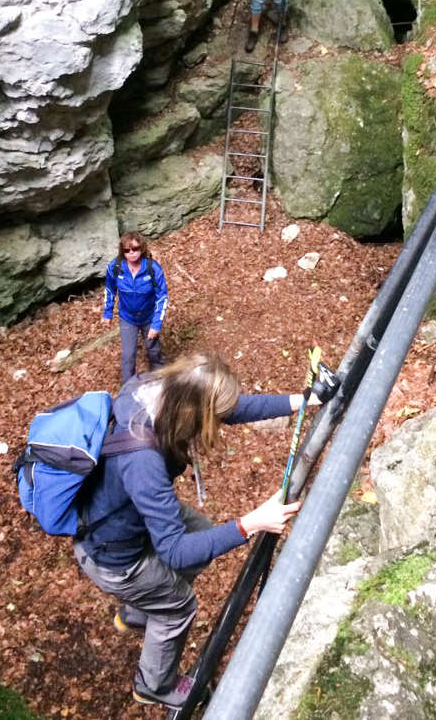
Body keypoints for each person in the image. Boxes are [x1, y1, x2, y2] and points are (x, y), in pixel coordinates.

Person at [73, 351, 328, 709]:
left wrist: (302, 401)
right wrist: (250, 523)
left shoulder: (156, 387)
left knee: (202, 531)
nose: (222, 419)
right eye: (216, 414)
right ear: (196, 411)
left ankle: (136, 613)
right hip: (113, 556)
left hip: (124, 514)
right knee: (178, 605)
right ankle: (153, 685)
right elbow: (176, 552)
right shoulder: (143, 459)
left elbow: (234, 407)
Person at [102, 231, 168, 383]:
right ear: (122, 251)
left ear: (142, 248)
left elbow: (162, 297)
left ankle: (160, 382)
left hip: (149, 317)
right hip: (127, 318)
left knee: (153, 350)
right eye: (127, 250)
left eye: (135, 248)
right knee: (128, 355)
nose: (131, 253)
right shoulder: (115, 267)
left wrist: (156, 325)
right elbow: (110, 290)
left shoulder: (152, 268)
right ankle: (128, 388)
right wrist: (107, 313)